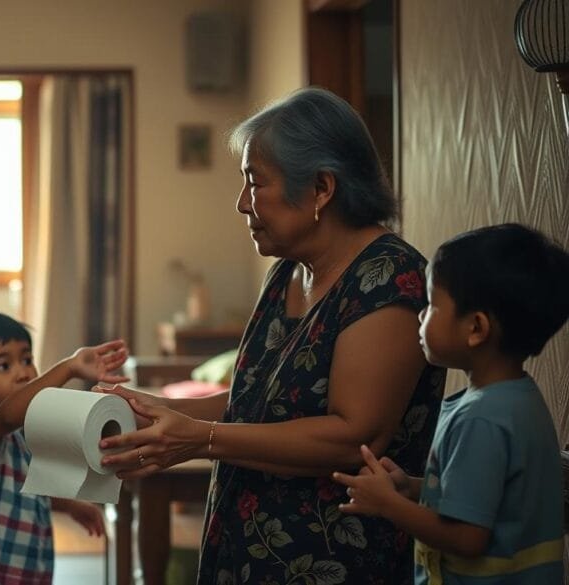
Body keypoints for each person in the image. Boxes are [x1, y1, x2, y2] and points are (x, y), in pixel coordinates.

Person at [97, 87, 446, 584]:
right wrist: (151, 413)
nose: (242, 204)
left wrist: (203, 439)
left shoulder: (389, 281)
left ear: (322, 188)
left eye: (254, 183)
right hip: (243, 551)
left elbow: (356, 437)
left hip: (332, 561)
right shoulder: (286, 272)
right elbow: (256, 400)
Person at [333, 223, 569, 584]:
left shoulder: (481, 419)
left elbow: (466, 537)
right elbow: (487, 497)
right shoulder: (519, 400)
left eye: (432, 305)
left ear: (476, 328)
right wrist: (413, 487)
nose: (420, 315)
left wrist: (389, 504)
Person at [0, 311, 125, 584]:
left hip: (30, 568)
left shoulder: (24, 433)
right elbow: (6, 416)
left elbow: (28, 486)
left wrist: (70, 505)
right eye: (3, 366)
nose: (23, 373)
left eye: (27, 359)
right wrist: (68, 368)